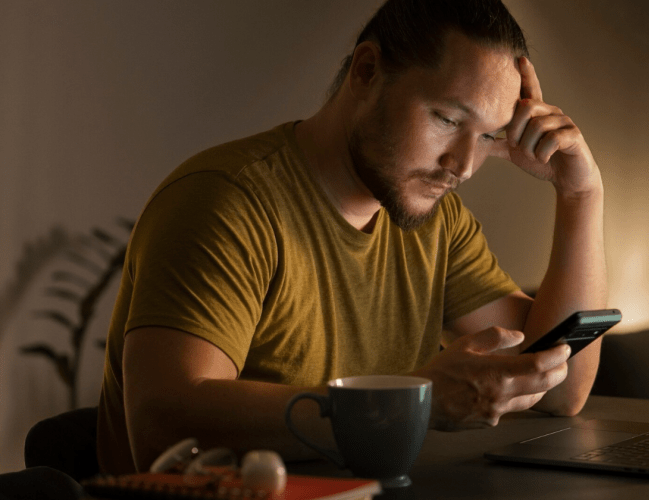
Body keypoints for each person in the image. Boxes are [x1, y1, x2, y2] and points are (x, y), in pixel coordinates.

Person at [97, 0, 607, 475]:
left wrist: (580, 195)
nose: (464, 166)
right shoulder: (226, 202)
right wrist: (416, 399)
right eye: (448, 119)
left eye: (490, 135)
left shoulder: (435, 221)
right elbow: (160, 428)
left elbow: (560, 392)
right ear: (366, 71)